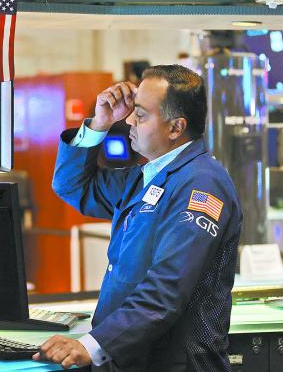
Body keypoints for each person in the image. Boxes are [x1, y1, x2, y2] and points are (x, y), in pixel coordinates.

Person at [32, 65, 242, 372]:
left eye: (140, 114)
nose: (128, 120)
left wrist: (91, 344)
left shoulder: (201, 184)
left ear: (175, 127)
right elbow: (72, 186)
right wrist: (98, 124)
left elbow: (166, 288)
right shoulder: (145, 177)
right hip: (130, 357)